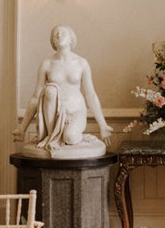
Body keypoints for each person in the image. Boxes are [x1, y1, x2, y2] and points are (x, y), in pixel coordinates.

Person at [14, 24, 112, 157]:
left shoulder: (81, 63)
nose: (59, 35)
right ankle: (52, 136)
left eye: (63, 33)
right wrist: (22, 128)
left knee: (70, 138)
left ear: (71, 38)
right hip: (53, 116)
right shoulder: (46, 63)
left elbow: (91, 95)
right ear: (53, 41)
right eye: (55, 34)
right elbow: (36, 97)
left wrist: (103, 125)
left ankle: (76, 136)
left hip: (76, 111)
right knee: (50, 90)